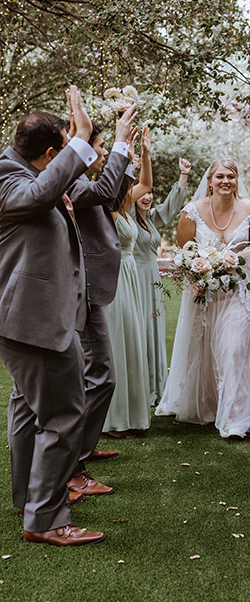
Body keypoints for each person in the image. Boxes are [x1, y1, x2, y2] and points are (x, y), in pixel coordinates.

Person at [0, 86, 105, 546]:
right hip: (33, 321)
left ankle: (29, 497)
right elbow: (41, 195)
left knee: (29, 408)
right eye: (61, 149)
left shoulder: (25, 173)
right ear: (48, 152)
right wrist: (81, 138)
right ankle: (46, 519)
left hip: (32, 317)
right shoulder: (8, 176)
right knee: (65, 414)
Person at [156, 158, 250, 438]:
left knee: (235, 348)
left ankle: (235, 419)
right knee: (208, 349)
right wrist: (195, 280)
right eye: (219, 176)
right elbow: (183, 252)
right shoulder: (192, 211)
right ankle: (210, 404)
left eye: (231, 176)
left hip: (241, 289)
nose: (225, 181)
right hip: (205, 291)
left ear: (237, 180)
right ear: (209, 181)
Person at [67, 105, 137, 495]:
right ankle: (74, 466)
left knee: (99, 378)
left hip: (93, 290)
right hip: (86, 292)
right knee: (100, 377)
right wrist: (123, 140)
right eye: (100, 145)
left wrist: (128, 156)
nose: (104, 152)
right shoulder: (72, 179)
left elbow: (110, 199)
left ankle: (83, 449)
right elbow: (105, 192)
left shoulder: (81, 181)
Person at [103, 126, 153, 438]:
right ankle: (113, 420)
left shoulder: (124, 202)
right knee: (118, 344)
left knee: (132, 342)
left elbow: (146, 183)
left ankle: (133, 416)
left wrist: (145, 152)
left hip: (131, 274)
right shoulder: (104, 205)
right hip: (115, 277)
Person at [133, 158, 191, 406]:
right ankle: (137, 387)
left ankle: (155, 387)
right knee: (138, 330)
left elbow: (171, 206)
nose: (147, 197)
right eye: (142, 193)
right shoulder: (125, 217)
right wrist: (131, 167)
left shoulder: (151, 218)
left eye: (150, 193)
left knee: (153, 329)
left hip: (152, 278)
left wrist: (183, 175)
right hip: (133, 277)